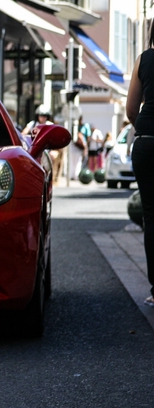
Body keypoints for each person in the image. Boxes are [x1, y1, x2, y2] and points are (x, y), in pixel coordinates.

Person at [126, 21, 154, 307]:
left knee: (151, 215)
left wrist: (145, 127)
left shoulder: (144, 60)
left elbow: (131, 109)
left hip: (147, 141)